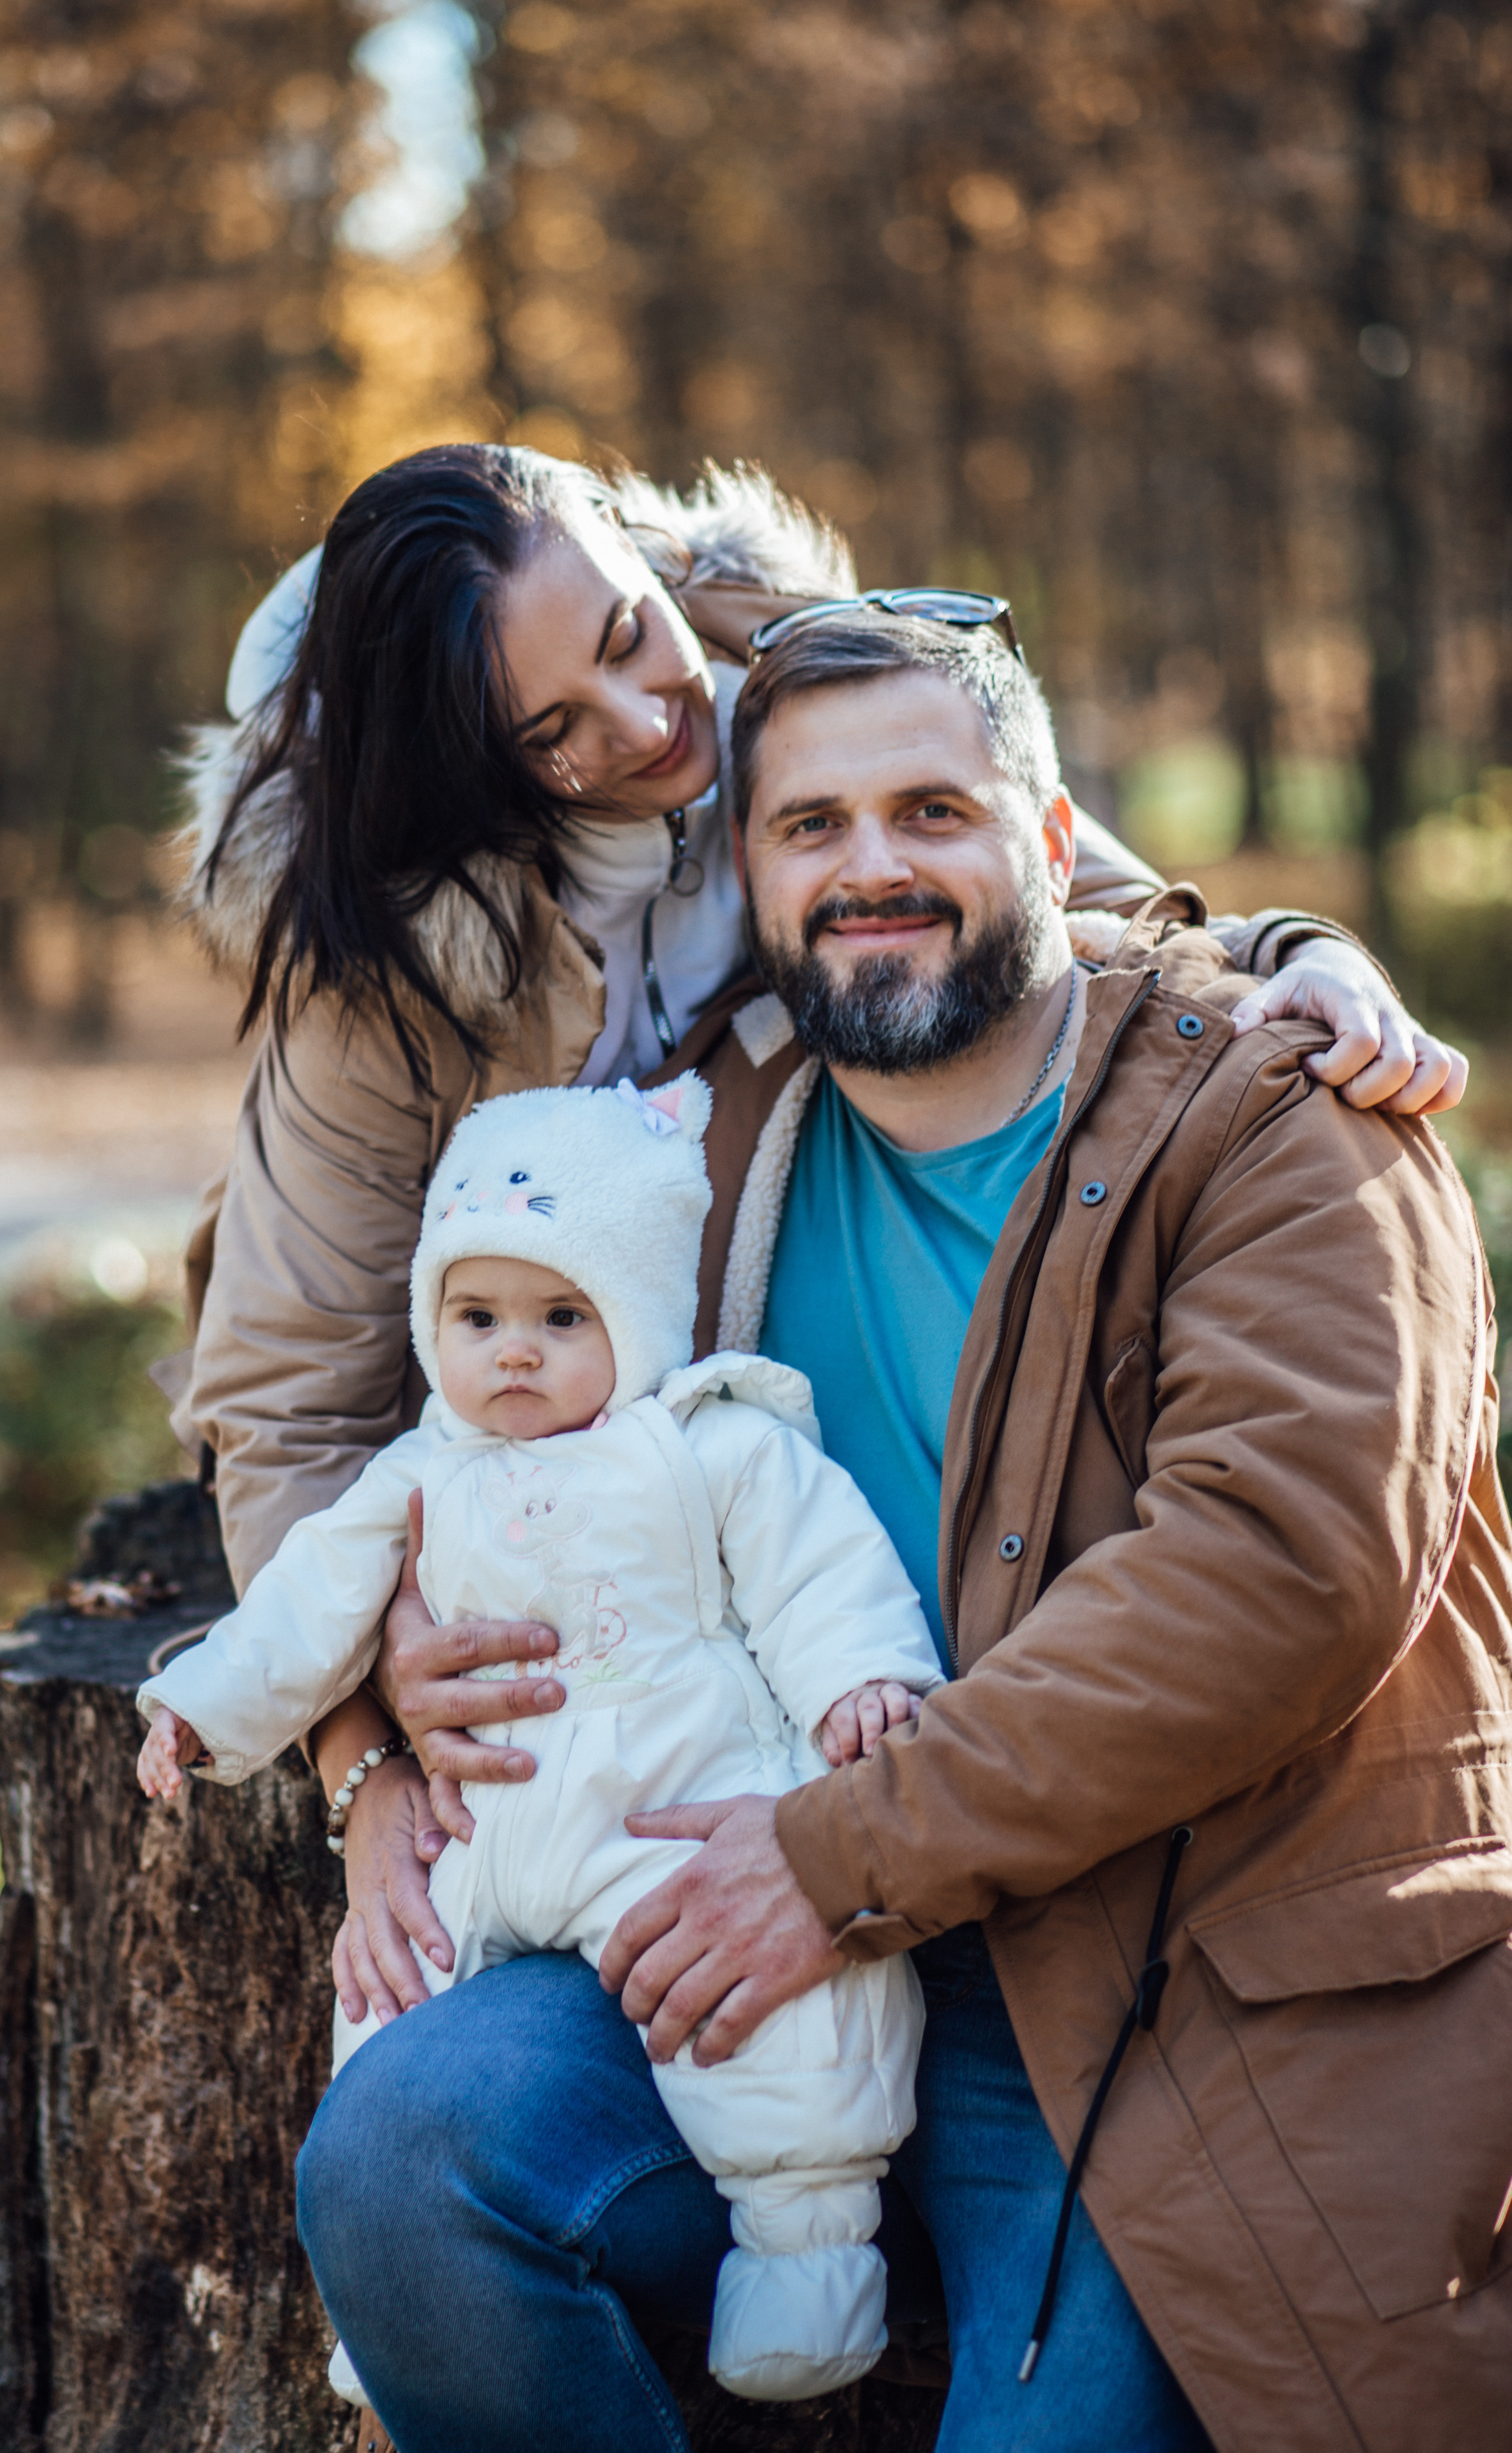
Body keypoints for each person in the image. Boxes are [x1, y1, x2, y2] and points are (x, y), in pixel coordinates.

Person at [302, 608, 1512, 2453]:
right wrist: (374, 1686)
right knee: (408, 2164)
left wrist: (843, 1849)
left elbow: (1288, 1571)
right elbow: (455, 1408)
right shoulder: (699, 1153)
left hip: (1148, 1974)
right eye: (815, 828)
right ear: (753, 881)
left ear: (1049, 844)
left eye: (934, 812)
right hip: (738, 1921)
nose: (876, 869)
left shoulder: (1280, 1114)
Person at [162, 441, 1465, 2039]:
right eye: (552, 733)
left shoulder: (787, 669)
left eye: (631, 638)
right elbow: (290, 1397)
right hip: (525, 1496)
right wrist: (361, 1740)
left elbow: (1072, 907)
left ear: (648, 564)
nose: (651, 727)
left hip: (759, 1488)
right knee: (452, 2114)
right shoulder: (380, 961)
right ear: (462, 769)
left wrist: (1302, 953)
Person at [139, 1074, 943, 2406]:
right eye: (477, 1318)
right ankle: (394, 2300)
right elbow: (301, 1611)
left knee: (764, 2015)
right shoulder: (417, 1474)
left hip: (668, 1811)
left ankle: (804, 2248)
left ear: (636, 1317)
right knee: (387, 2005)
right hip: (488, 1828)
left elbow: (817, 1573)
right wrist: (205, 1704)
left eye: (562, 1318)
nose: (514, 1352)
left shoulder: (709, 1443)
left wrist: (859, 1681)